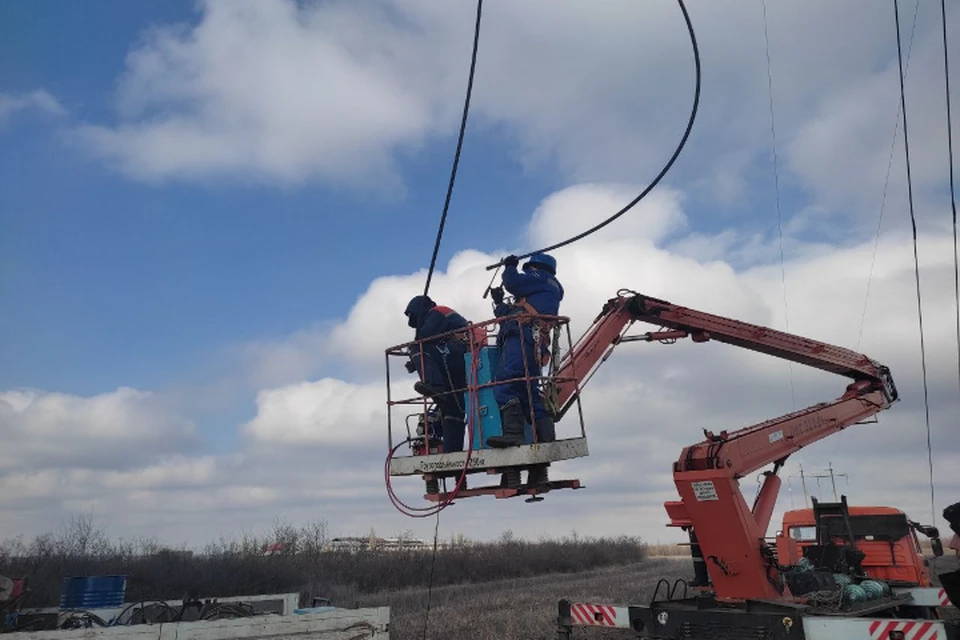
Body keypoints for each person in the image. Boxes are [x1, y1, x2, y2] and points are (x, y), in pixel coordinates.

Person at [485, 252, 564, 487]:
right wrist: (499, 303)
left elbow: (512, 282)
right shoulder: (542, 290)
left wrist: (510, 265)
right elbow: (509, 315)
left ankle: (514, 435)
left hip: (521, 340)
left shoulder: (540, 278)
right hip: (529, 342)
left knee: (504, 386)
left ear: (534, 267)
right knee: (527, 392)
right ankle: (546, 437)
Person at [403, 295, 470, 453]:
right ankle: (452, 453)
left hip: (456, 353)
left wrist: (415, 354)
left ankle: (435, 385)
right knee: (452, 409)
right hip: (459, 358)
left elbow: (425, 337)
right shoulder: (437, 315)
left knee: (417, 348)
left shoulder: (437, 312)